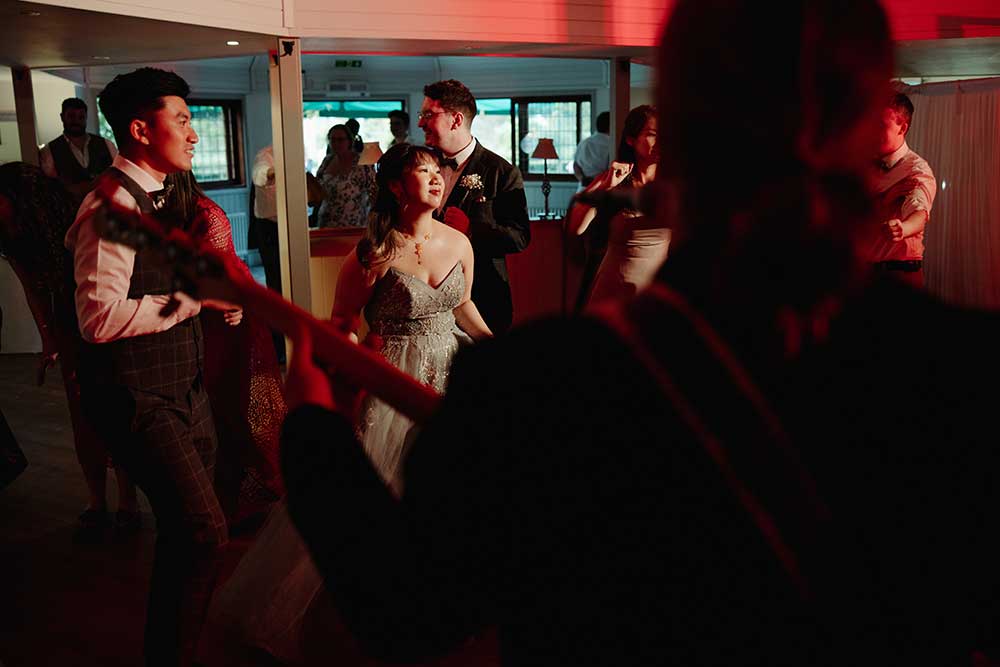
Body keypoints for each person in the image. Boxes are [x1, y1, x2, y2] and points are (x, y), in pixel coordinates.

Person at [280, 0, 1000, 665]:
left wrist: (314, 424)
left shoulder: (537, 386)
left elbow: (405, 608)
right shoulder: (968, 373)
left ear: (681, 130)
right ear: (868, 120)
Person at [205, 144, 490, 665]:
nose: (436, 179)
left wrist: (492, 347)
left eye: (438, 171)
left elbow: (463, 303)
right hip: (392, 374)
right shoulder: (373, 253)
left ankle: (445, 601)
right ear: (397, 187)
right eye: (422, 172)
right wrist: (350, 365)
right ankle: (364, 608)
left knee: (449, 491)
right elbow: (343, 322)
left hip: (451, 370)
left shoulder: (459, 242)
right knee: (376, 489)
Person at [64, 67, 232, 666]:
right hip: (137, 397)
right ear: (140, 129)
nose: (193, 133)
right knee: (205, 533)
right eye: (182, 120)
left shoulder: (166, 193)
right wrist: (192, 301)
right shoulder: (108, 207)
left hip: (186, 388)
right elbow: (99, 318)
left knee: (187, 538)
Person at [0, 162, 139, 540]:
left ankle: (128, 501)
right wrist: (48, 339)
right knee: (82, 413)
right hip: (66, 323)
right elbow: (31, 287)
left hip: (96, 316)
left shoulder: (71, 221)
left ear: (19, 198)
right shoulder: (11, 233)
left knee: (116, 409)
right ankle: (97, 501)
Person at [164, 170, 286, 525]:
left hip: (227, 322)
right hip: (192, 318)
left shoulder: (206, 214)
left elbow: (222, 275)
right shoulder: (152, 211)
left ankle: (239, 498)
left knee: (233, 405)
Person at [418, 79, 530, 333]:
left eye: (428, 115)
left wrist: (472, 230)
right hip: (426, 301)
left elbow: (520, 238)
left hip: (482, 299)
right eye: (421, 115)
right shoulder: (421, 165)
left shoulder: (501, 172)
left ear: (456, 120)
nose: (420, 123)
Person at [567, 105, 667, 306]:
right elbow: (573, 227)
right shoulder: (614, 180)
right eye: (652, 135)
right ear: (631, 139)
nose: (660, 142)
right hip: (616, 291)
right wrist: (606, 187)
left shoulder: (671, 184)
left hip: (657, 295)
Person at [861, 92, 936, 288]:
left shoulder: (916, 169)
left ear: (902, 128)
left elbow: (919, 211)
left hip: (899, 276)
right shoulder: (863, 165)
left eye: (881, 126)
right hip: (862, 276)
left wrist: (903, 228)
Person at [39, 97, 118, 204]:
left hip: (107, 206)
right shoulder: (49, 151)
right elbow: (53, 190)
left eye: (81, 117)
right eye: (71, 116)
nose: (76, 121)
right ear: (62, 117)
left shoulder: (106, 144)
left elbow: (118, 176)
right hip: (72, 211)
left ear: (86, 118)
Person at [315, 124, 376, 228]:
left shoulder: (363, 163)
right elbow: (317, 188)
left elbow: (374, 193)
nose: (336, 143)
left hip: (354, 224)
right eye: (332, 139)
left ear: (350, 141)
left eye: (340, 140)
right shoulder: (327, 160)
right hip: (326, 222)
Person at [572, 111, 610, 187]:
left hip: (584, 188)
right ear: (611, 126)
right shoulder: (612, 144)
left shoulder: (584, 143)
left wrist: (582, 179)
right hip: (602, 188)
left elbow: (576, 165)